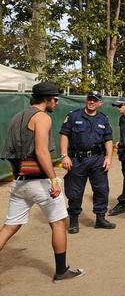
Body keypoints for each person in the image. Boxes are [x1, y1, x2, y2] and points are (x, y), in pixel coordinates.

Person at [0, 82, 84, 282]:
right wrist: (54, 180)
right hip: (38, 179)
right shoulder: (42, 118)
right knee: (59, 223)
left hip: (19, 180)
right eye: (55, 99)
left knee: (9, 227)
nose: (56, 102)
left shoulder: (17, 117)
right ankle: (62, 271)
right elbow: (41, 151)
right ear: (46, 99)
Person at [60, 91, 115, 234]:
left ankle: (100, 218)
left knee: (101, 189)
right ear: (86, 100)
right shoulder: (74, 115)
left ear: (100, 103)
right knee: (74, 191)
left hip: (98, 159)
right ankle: (73, 220)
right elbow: (64, 135)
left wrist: (109, 157)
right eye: (90, 99)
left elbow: (108, 139)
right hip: (77, 159)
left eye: (95, 100)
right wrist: (64, 156)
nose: (92, 102)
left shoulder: (103, 119)